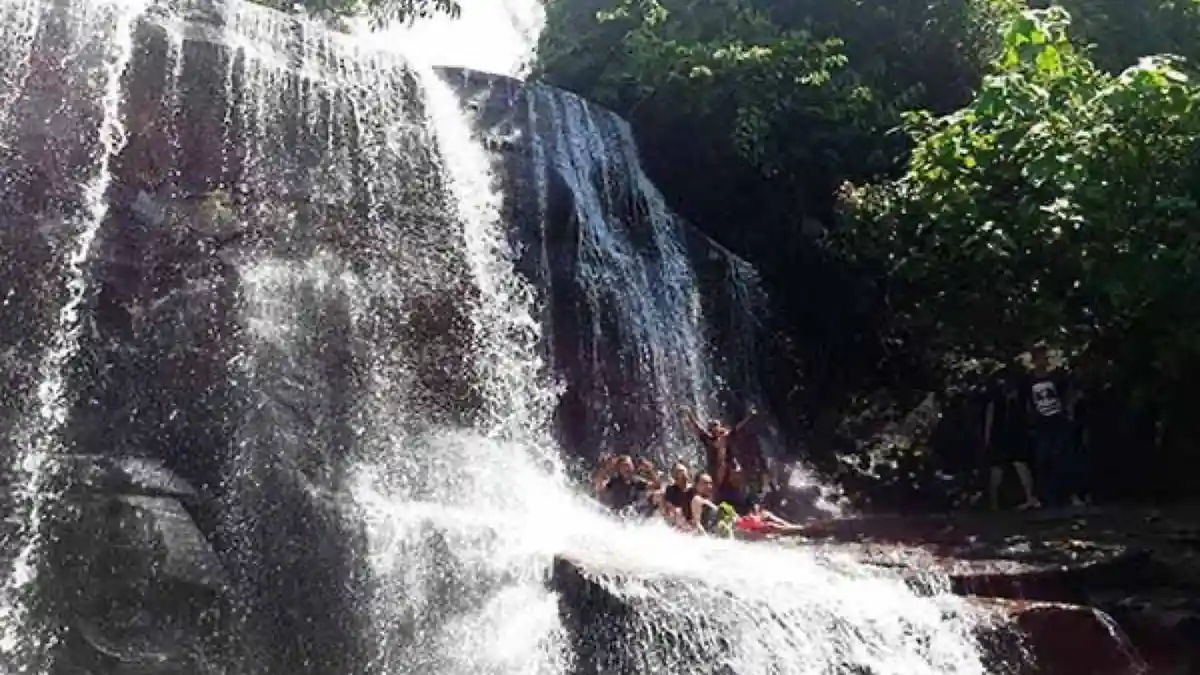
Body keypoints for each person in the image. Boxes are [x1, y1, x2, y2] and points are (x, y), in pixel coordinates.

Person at [1027, 343, 1087, 507]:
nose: (1044, 360)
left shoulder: (1058, 377)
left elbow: (1070, 394)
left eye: (1046, 357)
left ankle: (1072, 495)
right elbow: (1028, 402)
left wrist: (1069, 412)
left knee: (1065, 458)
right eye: (1041, 357)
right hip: (1041, 424)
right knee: (1043, 460)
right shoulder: (1029, 379)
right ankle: (1047, 497)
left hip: (1059, 422)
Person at [681, 405, 760, 510]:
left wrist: (749, 416)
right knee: (717, 488)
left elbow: (737, 428)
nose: (717, 429)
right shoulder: (709, 440)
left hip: (728, 470)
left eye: (717, 426)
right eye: (714, 427)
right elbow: (698, 428)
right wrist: (690, 415)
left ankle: (742, 500)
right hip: (715, 470)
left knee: (736, 474)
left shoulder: (726, 437)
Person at [983, 371, 1040, 510]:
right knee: (1016, 466)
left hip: (1004, 436)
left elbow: (989, 420)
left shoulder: (1001, 400)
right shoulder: (1017, 400)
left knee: (1000, 468)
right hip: (1012, 435)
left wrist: (987, 438)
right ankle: (1027, 497)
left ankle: (995, 502)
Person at [733, 498, 812, 540]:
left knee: (769, 518)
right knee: (771, 526)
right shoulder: (747, 518)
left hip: (753, 521)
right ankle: (801, 529)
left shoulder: (761, 513)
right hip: (749, 524)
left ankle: (795, 528)